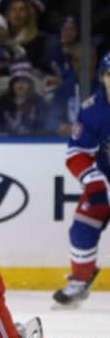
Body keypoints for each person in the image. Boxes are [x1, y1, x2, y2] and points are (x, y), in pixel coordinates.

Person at [52, 51, 110, 306]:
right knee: (83, 226)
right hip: (105, 181)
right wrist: (94, 181)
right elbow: (76, 153)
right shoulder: (92, 110)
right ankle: (81, 280)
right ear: (102, 77)